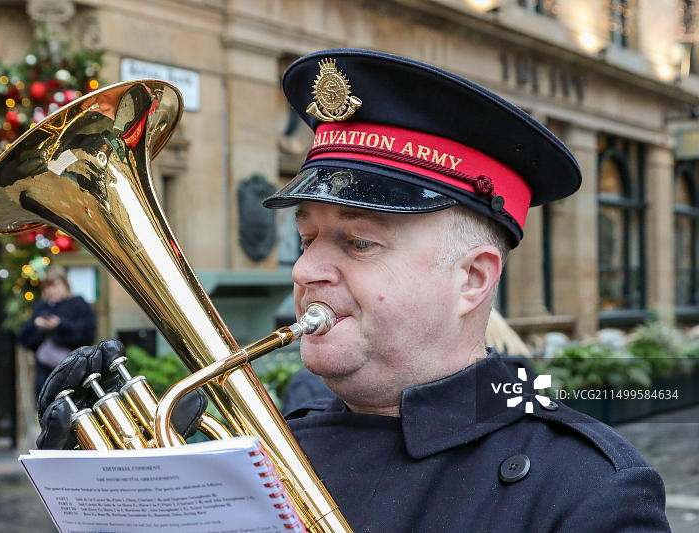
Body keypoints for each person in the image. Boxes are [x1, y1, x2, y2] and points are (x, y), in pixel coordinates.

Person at [36, 49, 670, 532]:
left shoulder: (590, 490)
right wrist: (124, 498)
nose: (307, 269)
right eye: (308, 238)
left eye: (358, 243)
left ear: (472, 279)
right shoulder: (268, 452)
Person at [18, 266, 97, 399]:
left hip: (74, 374)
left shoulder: (78, 304)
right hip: (46, 377)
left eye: (56, 285)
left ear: (65, 285)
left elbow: (87, 335)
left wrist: (59, 325)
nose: (52, 290)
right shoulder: (41, 307)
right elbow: (24, 339)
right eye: (48, 287)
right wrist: (37, 326)